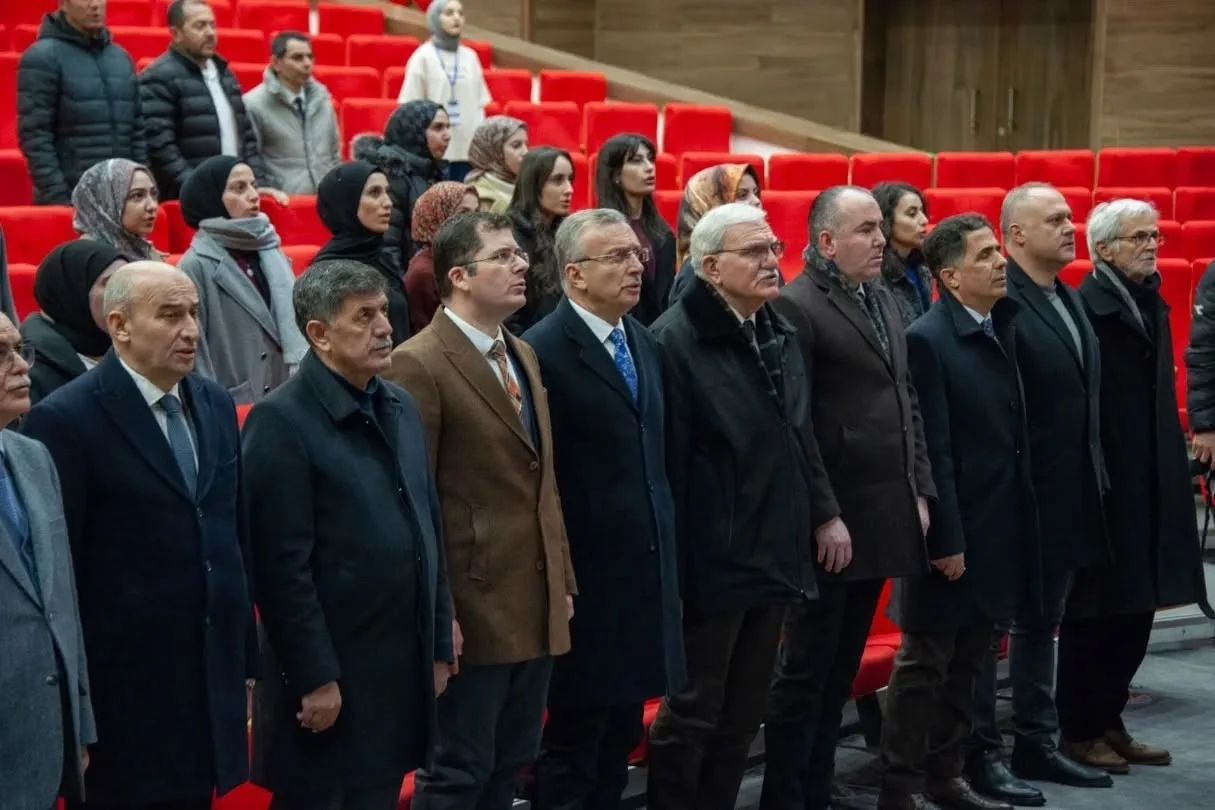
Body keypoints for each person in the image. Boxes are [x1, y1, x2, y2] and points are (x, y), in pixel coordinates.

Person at [22, 262, 257, 810]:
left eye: (195, 314)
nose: (192, 330)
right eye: (171, 315)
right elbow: (62, 571)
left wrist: (244, 656)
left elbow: (231, 535)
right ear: (119, 325)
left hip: (208, 671)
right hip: (124, 689)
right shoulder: (65, 419)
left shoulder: (215, 402)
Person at [244, 259, 456, 810]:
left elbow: (425, 531)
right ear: (319, 335)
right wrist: (314, 677)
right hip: (330, 677)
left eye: (383, 311)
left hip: (395, 669)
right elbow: (281, 569)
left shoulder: (398, 404)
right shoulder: (280, 421)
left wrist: (436, 643)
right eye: (363, 317)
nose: (385, 327)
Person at [385, 211, 576, 810]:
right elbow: (416, 502)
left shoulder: (522, 352)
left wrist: (563, 579)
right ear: (460, 276)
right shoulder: (419, 362)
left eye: (520, 254)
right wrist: (441, 617)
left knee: (511, 766)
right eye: (503, 256)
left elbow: (544, 483)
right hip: (471, 606)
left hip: (535, 597)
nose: (521, 264)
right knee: (458, 771)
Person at [761, 186, 934, 810]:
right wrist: (824, 513)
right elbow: (797, 423)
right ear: (826, 242)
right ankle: (786, 795)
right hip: (833, 523)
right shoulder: (795, 306)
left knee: (839, 669)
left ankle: (816, 785)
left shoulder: (882, 296)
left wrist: (919, 483)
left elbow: (904, 397)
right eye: (865, 230)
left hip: (881, 512)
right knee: (806, 672)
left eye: (878, 229)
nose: (880, 239)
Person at [646, 203, 818, 810]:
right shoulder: (673, 339)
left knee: (745, 712)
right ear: (711, 266)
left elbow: (798, 441)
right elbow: (667, 469)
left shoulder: (775, 327)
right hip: (712, 559)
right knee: (694, 711)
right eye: (754, 252)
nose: (772, 261)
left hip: (771, 549)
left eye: (773, 247)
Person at [523, 209, 686, 810]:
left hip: (643, 570)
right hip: (585, 579)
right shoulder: (541, 351)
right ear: (574, 273)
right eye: (615, 257)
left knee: (620, 733)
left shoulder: (642, 339)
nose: (635, 265)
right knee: (575, 738)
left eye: (635, 253)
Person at [967, 183, 1113, 806]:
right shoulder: (1005, 304)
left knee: (1041, 623)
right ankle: (980, 754)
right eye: (1054, 219)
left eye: (1070, 216)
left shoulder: (1067, 298)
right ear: (1015, 235)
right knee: (991, 627)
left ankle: (1037, 741)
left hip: (1067, 491)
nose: (1070, 225)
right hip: (1016, 497)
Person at [880, 214, 1032, 810]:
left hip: (996, 522)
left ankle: (947, 776)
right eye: (986, 254)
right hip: (952, 531)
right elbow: (931, 448)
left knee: (972, 660)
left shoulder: (1000, 325)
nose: (1000, 261)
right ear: (949, 275)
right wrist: (945, 538)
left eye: (999, 250)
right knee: (926, 665)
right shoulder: (928, 338)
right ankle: (902, 786)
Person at [1058, 199, 1206, 772]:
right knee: (1096, 611)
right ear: (1104, 249)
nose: (1151, 245)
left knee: (1139, 608)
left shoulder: (1151, 299)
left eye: (1154, 237)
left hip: (1151, 477)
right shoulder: (1086, 308)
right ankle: (1078, 727)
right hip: (1108, 483)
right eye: (1138, 238)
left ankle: (1110, 719)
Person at [0, 310, 96, 810]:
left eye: (20, 350)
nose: (22, 366)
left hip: (43, 732)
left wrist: (77, 722)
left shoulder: (33, 456)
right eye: (1, 355)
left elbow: (62, 600)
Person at [177, 155, 307, 405]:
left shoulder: (268, 246)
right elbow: (197, 351)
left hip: (285, 388)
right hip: (236, 400)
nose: (253, 195)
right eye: (239, 188)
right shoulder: (195, 264)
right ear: (211, 197)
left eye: (253, 185)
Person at [140, 0, 276, 201]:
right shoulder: (158, 77)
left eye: (212, 25)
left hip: (232, 196)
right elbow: (161, 148)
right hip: (189, 200)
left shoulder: (225, 75)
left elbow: (247, 140)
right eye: (200, 26)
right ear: (176, 33)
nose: (210, 32)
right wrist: (198, 188)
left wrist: (257, 184)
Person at [17, 0, 146, 205]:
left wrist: (140, 189)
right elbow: (35, 137)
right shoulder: (42, 58)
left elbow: (138, 129)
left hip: (122, 199)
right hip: (73, 198)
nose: (95, 5)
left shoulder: (120, 58)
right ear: (63, 5)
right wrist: (58, 198)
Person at [312, 162, 412, 347]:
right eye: (374, 193)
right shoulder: (330, 271)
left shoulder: (381, 257)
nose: (388, 202)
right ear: (346, 202)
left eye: (386, 192)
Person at [21, 241, 126, 404]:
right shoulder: (31, 372)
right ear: (73, 293)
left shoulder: (129, 346)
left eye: (127, 282)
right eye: (110, 283)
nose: (126, 294)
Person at [398, 0, 491, 181]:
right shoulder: (422, 57)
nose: (456, 18)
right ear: (434, 18)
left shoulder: (471, 57)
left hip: (467, 152)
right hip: (435, 153)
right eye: (449, 13)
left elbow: (480, 106)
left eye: (460, 13)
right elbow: (410, 109)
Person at [243, 31, 342, 195]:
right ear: (276, 63)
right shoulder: (253, 104)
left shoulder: (323, 102)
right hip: (283, 201)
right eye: (297, 57)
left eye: (310, 57)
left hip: (326, 202)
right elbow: (252, 158)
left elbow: (334, 154)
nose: (307, 63)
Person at [594, 134, 677, 326]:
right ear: (615, 175)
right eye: (636, 161)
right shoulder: (601, 231)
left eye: (650, 159)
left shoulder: (662, 231)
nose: (649, 167)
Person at [363, 100, 452, 276]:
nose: (447, 135)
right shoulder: (391, 174)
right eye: (438, 127)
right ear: (415, 131)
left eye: (448, 127)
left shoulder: (433, 170)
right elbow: (388, 246)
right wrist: (402, 292)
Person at [668, 164, 764, 305]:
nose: (756, 201)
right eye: (742, 195)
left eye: (755, 192)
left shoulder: (762, 253)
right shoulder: (695, 274)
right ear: (713, 205)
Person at [506, 147, 575, 333]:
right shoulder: (510, 237)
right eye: (558, 180)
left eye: (570, 179)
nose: (569, 189)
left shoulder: (567, 232)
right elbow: (507, 314)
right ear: (533, 184)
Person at [405, 182, 481, 334]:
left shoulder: (465, 257)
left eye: (476, 212)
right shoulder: (424, 272)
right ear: (437, 215)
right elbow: (425, 333)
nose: (473, 221)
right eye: (463, 213)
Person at [71, 158, 165, 261]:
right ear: (105, 203)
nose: (152, 206)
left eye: (153, 194)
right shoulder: (86, 259)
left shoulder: (146, 252)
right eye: (137, 195)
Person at [874, 182, 932, 327]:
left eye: (923, 212)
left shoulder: (923, 267)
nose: (924, 220)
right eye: (912, 214)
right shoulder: (873, 274)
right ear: (886, 220)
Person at [466, 116, 528, 214]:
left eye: (526, 144)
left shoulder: (529, 186)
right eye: (516, 146)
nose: (525, 152)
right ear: (493, 151)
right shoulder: (478, 197)